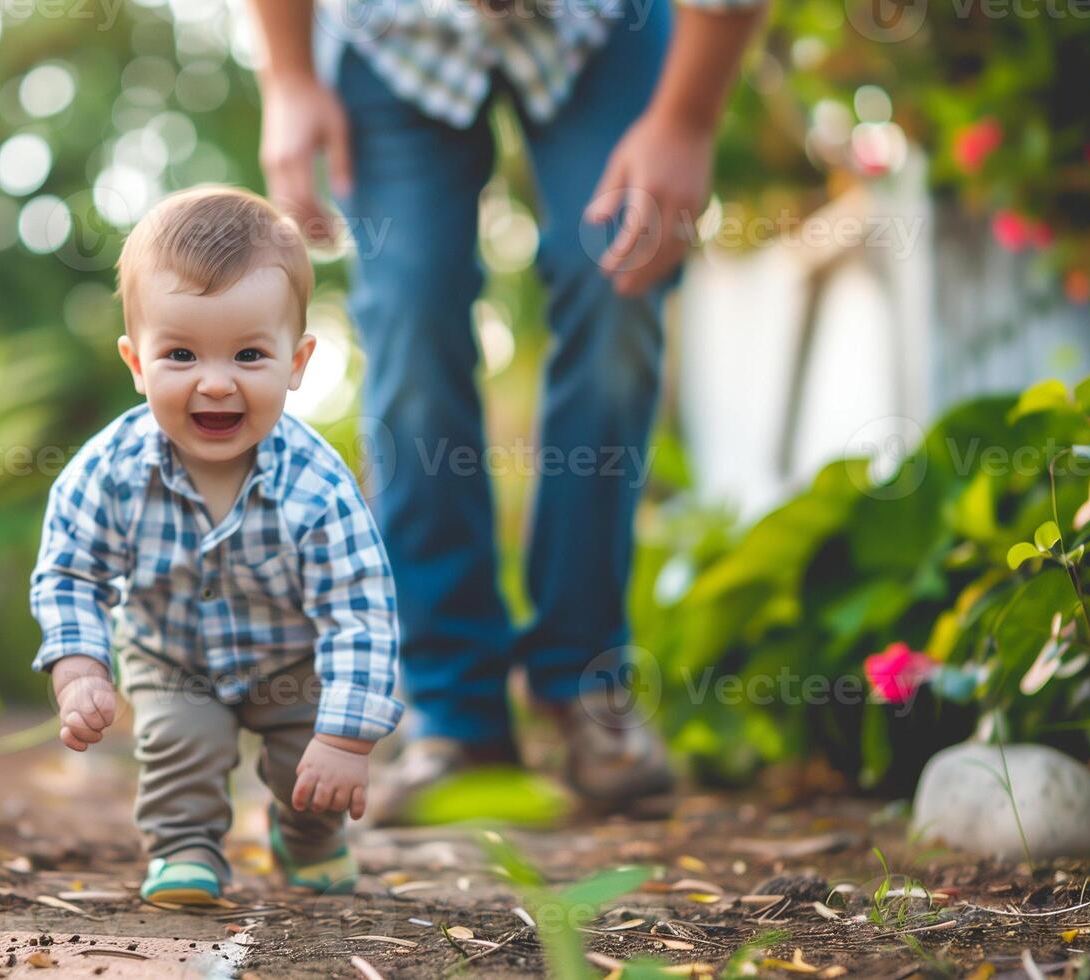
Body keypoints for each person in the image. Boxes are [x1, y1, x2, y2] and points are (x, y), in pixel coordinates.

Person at [244, 0, 766, 821]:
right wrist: (290, 76)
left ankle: (584, 683)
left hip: (597, 28)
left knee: (617, 280)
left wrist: (686, 120)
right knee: (411, 313)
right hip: (396, 41)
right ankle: (454, 717)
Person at [28, 186, 403, 904]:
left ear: (297, 362)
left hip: (293, 660)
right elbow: (71, 569)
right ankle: (185, 847)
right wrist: (79, 666)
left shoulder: (318, 486)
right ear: (137, 364)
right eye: (181, 354)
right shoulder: (109, 471)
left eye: (249, 354)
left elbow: (362, 610)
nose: (217, 382)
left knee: (311, 770)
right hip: (171, 653)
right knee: (181, 744)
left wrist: (348, 738)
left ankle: (308, 838)